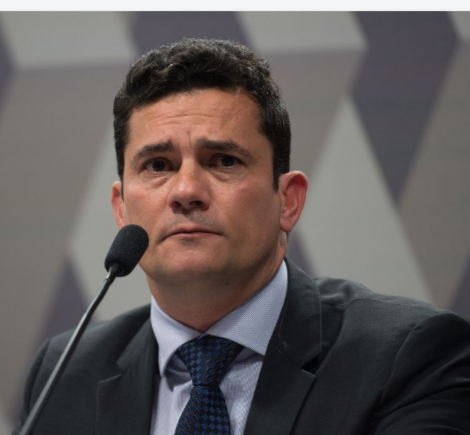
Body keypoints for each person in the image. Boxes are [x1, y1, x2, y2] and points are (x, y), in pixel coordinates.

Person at [14, 38, 470, 435]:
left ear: (287, 200)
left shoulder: (407, 358)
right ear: (121, 209)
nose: (186, 191)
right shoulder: (64, 374)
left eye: (223, 161)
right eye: (158, 166)